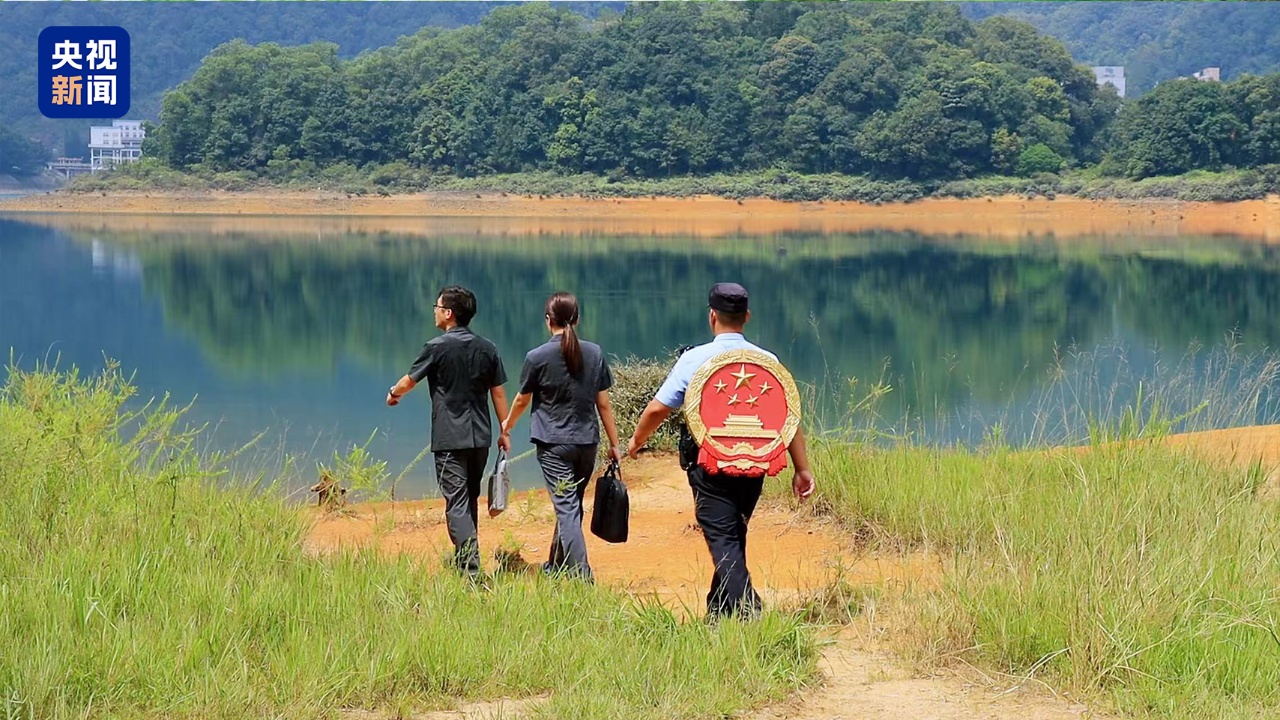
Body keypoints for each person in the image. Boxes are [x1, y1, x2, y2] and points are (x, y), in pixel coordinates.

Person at [626, 282, 816, 619]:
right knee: (732, 532)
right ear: (747, 317)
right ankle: (718, 614)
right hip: (755, 465)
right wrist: (802, 468)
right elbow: (789, 418)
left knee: (723, 537)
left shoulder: (694, 359)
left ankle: (750, 611)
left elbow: (657, 410)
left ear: (712, 316)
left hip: (708, 465)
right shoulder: (766, 361)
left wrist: (637, 442)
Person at [386, 285, 511, 578]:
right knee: (468, 498)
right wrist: (505, 430)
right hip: (480, 436)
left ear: (448, 313)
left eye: (437, 306)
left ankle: (471, 572)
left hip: (449, 437)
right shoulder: (488, 348)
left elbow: (408, 381)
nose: (435, 311)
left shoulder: (436, 347)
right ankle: (463, 562)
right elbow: (499, 394)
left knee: (456, 503)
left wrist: (393, 393)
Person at [501, 292, 622, 582]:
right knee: (570, 505)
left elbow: (521, 400)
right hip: (587, 443)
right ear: (577, 319)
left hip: (554, 444)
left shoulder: (537, 356)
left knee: (567, 508)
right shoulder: (594, 353)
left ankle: (581, 576)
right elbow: (603, 403)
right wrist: (615, 444)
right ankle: (556, 564)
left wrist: (506, 426)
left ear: (548, 320)